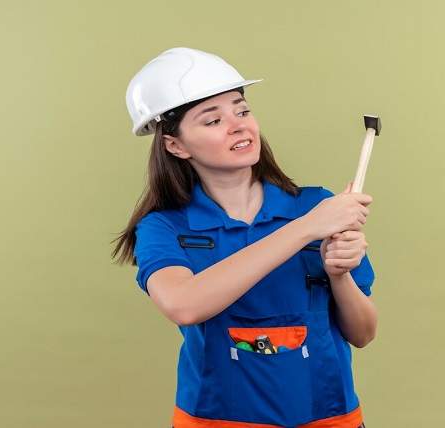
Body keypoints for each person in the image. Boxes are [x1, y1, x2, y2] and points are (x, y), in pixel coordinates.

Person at [112, 47, 376, 428]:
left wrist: (339, 273)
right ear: (176, 144)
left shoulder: (317, 205)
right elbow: (183, 304)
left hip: (330, 418)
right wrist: (304, 229)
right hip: (217, 420)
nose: (238, 126)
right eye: (212, 120)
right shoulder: (164, 228)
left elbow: (364, 333)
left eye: (242, 110)